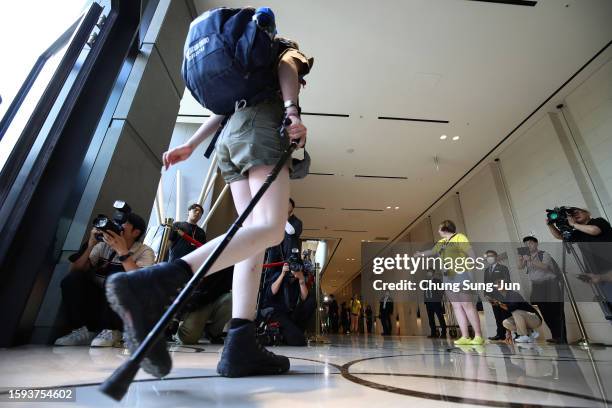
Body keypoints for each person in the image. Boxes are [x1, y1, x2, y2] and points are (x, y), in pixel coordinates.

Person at [104, 17, 313, 378]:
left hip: (230, 140)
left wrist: (190, 144)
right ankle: (156, 281)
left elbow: (225, 109)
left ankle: (240, 343)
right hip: (262, 128)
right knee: (272, 228)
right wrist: (292, 109)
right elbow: (287, 65)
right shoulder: (280, 48)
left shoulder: (244, 71)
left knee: (253, 239)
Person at [55, 213, 154, 347]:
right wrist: (90, 244)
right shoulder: (103, 246)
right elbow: (74, 270)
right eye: (116, 223)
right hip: (99, 301)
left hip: (123, 307)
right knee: (72, 279)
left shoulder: (145, 251)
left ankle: (113, 331)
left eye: (122, 225)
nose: (117, 228)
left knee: (116, 279)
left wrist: (122, 251)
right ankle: (84, 330)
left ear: (136, 232)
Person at [415, 220, 484, 346]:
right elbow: (432, 251)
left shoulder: (459, 237)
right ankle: (465, 336)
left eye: (440, 228)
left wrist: (471, 268)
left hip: (460, 274)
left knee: (467, 304)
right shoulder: (441, 243)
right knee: (457, 306)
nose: (438, 231)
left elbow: (470, 252)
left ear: (445, 228)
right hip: (447, 277)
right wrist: (421, 254)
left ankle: (478, 335)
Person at [547, 207, 612, 316]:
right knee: (608, 308)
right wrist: (550, 224)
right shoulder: (578, 232)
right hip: (597, 273)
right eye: (572, 214)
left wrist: (574, 225)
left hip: (609, 267)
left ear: (587, 213)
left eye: (578, 212)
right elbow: (560, 236)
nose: (575, 215)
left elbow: (594, 231)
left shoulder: (598, 221)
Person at [518, 236, 566, 344]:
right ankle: (555, 336)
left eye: (530, 243)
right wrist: (521, 259)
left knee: (556, 312)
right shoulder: (526, 257)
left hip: (550, 285)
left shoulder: (544, 254)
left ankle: (562, 338)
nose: (528, 246)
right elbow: (519, 267)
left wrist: (530, 259)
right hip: (537, 287)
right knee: (546, 313)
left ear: (536, 243)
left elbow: (545, 267)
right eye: (526, 244)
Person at [173, 266, 233, 345]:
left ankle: (212, 333)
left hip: (209, 297)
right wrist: (176, 317)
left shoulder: (229, 261)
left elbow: (226, 286)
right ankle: (175, 334)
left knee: (232, 299)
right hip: (193, 298)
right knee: (188, 339)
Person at [260, 262, 315, 345]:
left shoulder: (298, 280)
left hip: (289, 313)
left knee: (311, 302)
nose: (295, 269)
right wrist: (282, 274)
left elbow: (305, 298)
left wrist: (301, 280)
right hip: (276, 312)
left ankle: (294, 332)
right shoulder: (280, 274)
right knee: (299, 341)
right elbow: (271, 292)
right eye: (294, 267)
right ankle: (286, 335)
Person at [492, 279, 543, 343]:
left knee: (516, 312)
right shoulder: (502, 298)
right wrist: (508, 334)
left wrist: (500, 304)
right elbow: (506, 315)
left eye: (499, 283)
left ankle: (525, 335)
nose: (497, 285)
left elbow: (512, 308)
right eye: (496, 284)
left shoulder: (513, 294)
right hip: (524, 320)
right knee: (505, 322)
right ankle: (530, 333)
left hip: (535, 319)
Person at [483, 250, 512, 341]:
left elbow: (507, 281)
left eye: (491, 256)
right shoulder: (487, 270)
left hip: (502, 295)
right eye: (487, 256)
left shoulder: (503, 268)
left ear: (496, 257)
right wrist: (486, 294)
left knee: (505, 314)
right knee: (497, 316)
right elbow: (486, 283)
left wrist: (505, 292)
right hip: (492, 296)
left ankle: (510, 333)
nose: (489, 258)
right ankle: (500, 334)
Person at [424, 270, 447, 338]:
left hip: (436, 302)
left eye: (429, 272)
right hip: (428, 303)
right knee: (431, 318)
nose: (428, 274)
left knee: (440, 317)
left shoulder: (437, 281)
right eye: (427, 272)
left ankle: (443, 333)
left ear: (433, 273)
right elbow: (425, 292)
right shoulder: (425, 282)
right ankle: (433, 333)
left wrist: (438, 297)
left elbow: (442, 289)